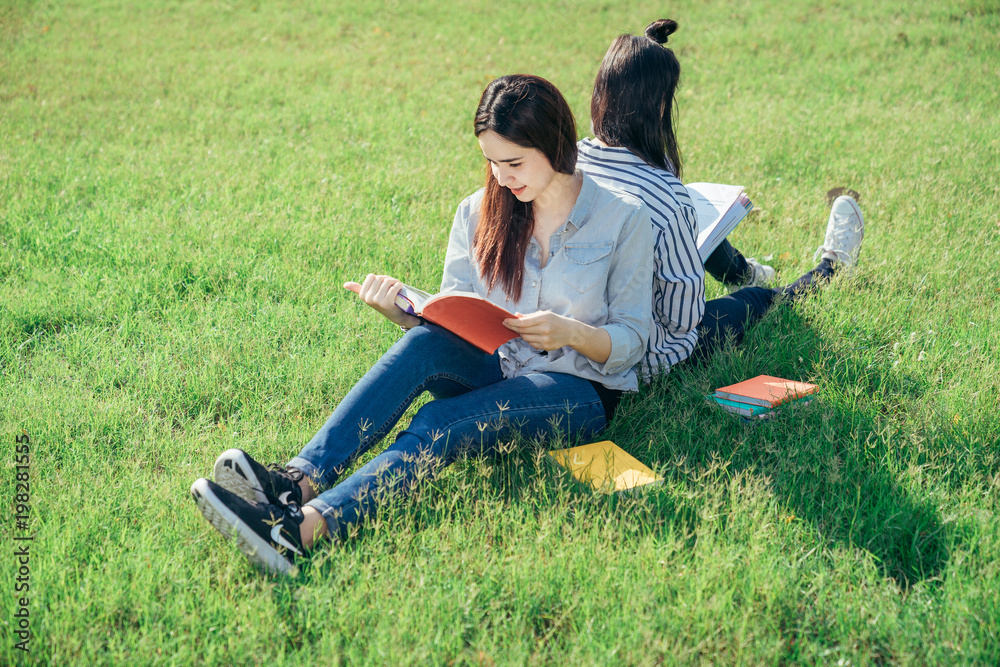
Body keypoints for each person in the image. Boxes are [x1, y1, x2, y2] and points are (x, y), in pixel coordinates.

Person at [190, 74, 654, 575]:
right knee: (424, 346)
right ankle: (295, 482)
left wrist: (572, 332)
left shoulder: (623, 219)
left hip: (578, 391)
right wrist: (402, 314)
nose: (501, 178)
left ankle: (299, 531)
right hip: (497, 365)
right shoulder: (477, 212)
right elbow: (458, 318)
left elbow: (634, 340)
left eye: (514, 163)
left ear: (555, 145)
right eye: (492, 162)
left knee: (439, 424)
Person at [575, 19, 864, 371]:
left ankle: (744, 271)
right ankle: (831, 267)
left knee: (694, 231)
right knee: (756, 300)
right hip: (649, 351)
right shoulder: (666, 195)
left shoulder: (572, 161)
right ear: (660, 106)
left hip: (584, 333)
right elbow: (684, 318)